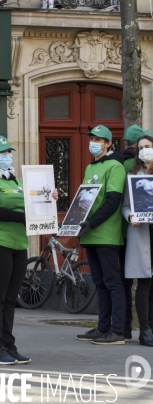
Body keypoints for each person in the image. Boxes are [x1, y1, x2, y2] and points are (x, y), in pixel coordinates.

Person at [0, 136, 57, 364]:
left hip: (19, 244)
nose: (7, 156)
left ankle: (8, 345)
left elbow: (33, 202)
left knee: (11, 299)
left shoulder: (15, 180)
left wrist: (48, 198)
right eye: (1, 153)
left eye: (8, 152)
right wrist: (26, 216)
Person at [76, 125, 127, 345]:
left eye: (99, 139)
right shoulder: (91, 167)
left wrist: (91, 223)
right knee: (99, 282)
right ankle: (103, 327)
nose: (93, 142)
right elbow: (85, 200)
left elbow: (112, 201)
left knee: (112, 282)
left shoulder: (115, 166)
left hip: (106, 234)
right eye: (92, 138)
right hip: (91, 234)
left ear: (108, 143)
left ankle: (118, 331)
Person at [122, 135, 153, 347]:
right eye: (141, 147)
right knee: (144, 283)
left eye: (148, 146)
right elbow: (125, 206)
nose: (144, 150)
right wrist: (130, 216)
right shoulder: (133, 176)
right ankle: (144, 330)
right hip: (142, 233)